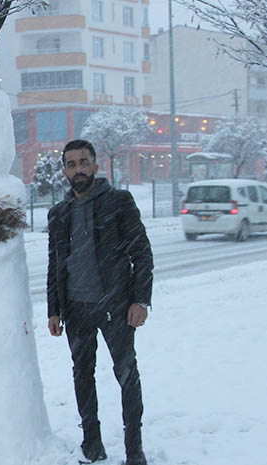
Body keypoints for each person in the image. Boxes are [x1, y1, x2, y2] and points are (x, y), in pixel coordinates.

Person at [46, 139, 154, 465]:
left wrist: (140, 300)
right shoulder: (59, 213)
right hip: (76, 309)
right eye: (71, 164)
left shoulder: (118, 202)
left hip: (116, 307)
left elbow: (142, 253)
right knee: (82, 376)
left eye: (84, 162)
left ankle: (134, 449)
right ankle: (92, 444)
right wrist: (54, 309)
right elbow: (55, 265)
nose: (78, 169)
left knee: (126, 375)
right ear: (64, 171)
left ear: (95, 165)